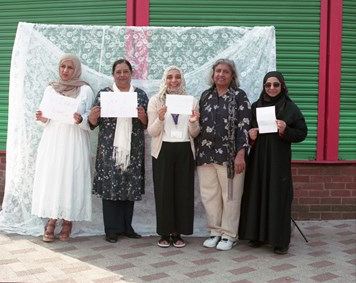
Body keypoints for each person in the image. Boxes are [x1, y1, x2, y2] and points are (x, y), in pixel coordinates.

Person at [239, 71, 307, 255]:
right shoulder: (255, 106)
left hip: (278, 159)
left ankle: (279, 241)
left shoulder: (290, 108)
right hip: (259, 158)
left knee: (278, 196)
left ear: (282, 86)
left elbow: (302, 133)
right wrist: (250, 135)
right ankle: (256, 235)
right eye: (268, 85)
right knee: (257, 193)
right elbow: (248, 130)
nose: (271, 88)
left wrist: (286, 130)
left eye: (275, 84)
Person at [31, 53, 94, 242]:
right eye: (62, 67)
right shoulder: (51, 89)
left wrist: (80, 119)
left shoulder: (85, 90)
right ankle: (51, 218)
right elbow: (45, 117)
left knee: (71, 177)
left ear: (76, 70)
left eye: (70, 67)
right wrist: (41, 118)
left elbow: (90, 119)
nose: (65, 71)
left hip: (74, 139)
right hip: (54, 139)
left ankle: (68, 221)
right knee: (53, 177)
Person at [88, 59, 148, 243]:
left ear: (131, 74)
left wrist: (143, 117)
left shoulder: (140, 95)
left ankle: (127, 227)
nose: (122, 75)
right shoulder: (104, 94)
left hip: (133, 149)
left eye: (125, 71)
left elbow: (147, 124)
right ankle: (111, 230)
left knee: (129, 186)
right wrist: (92, 117)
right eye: (118, 72)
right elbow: (93, 124)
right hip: (109, 148)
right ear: (113, 75)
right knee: (110, 187)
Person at [195, 58, 251, 251]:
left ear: (232, 75)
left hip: (230, 156)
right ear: (212, 74)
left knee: (231, 196)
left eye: (225, 72)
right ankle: (215, 231)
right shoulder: (205, 96)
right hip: (205, 154)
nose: (221, 74)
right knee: (209, 195)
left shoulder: (239, 96)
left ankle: (229, 235)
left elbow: (244, 126)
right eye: (218, 71)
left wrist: (240, 154)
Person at [147, 66, 200, 248]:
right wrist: (160, 118)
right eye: (170, 77)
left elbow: (194, 133)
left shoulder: (191, 101)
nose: (174, 80)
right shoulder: (156, 101)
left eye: (177, 77)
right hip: (163, 150)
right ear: (164, 79)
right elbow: (152, 132)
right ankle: (164, 232)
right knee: (164, 192)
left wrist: (193, 123)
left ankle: (178, 233)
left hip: (184, 149)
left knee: (183, 192)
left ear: (182, 79)